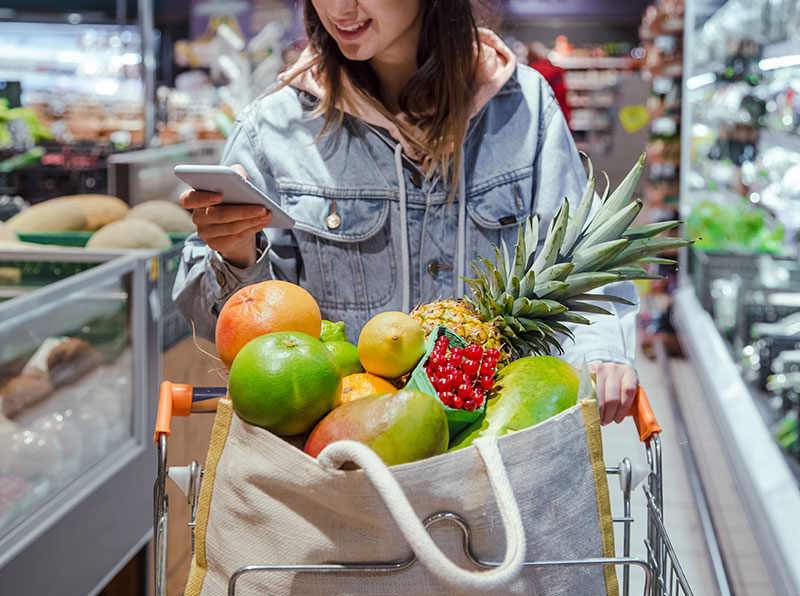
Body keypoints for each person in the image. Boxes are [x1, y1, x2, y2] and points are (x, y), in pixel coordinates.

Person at [173, 0, 640, 425]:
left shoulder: (524, 106)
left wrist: (601, 352)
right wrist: (236, 254)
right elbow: (238, 337)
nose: (339, 7)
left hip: (501, 442)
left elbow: (578, 257)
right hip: (340, 462)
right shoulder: (274, 127)